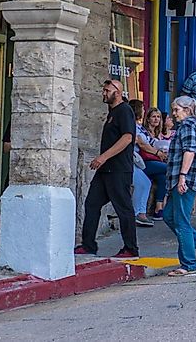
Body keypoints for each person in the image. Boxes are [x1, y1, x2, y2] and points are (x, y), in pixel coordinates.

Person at [75, 79, 139, 258]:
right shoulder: (112, 113)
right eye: (103, 90)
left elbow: (127, 138)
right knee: (92, 203)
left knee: (123, 208)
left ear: (117, 92)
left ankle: (131, 248)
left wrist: (103, 157)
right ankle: (88, 245)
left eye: (107, 90)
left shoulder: (124, 111)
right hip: (105, 171)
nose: (104, 93)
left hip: (118, 170)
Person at [163, 95, 196, 276]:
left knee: (181, 221)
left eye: (177, 110)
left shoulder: (188, 126)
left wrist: (182, 176)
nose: (173, 114)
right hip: (188, 179)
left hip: (185, 180)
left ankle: (189, 264)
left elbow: (189, 151)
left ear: (188, 110)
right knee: (169, 215)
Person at [136, 107, 169, 219]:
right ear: (148, 119)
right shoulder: (141, 130)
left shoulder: (158, 134)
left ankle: (158, 208)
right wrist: (158, 152)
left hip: (155, 162)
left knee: (162, 177)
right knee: (169, 169)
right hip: (145, 162)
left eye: (158, 117)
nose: (156, 119)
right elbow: (143, 145)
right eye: (153, 116)